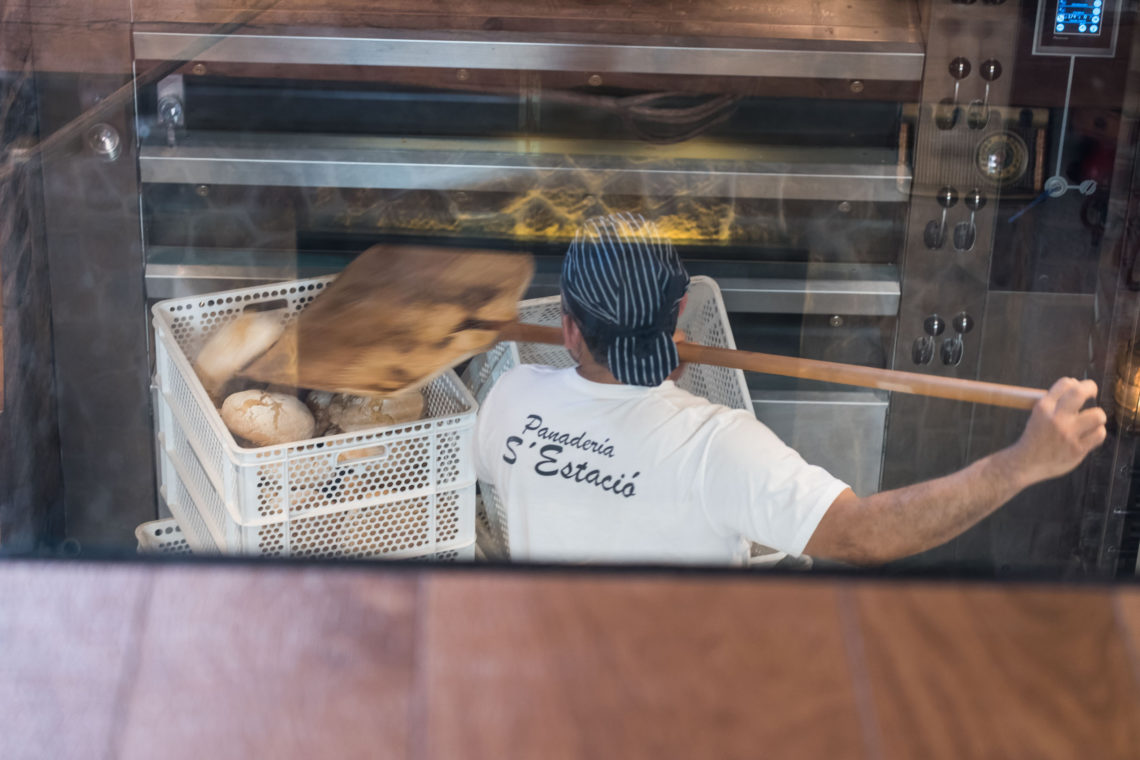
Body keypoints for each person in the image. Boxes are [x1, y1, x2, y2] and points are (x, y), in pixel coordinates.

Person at [473, 212, 1108, 565]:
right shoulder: (719, 448)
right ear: (681, 313)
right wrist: (1019, 466)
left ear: (566, 327)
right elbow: (863, 534)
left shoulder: (510, 400)